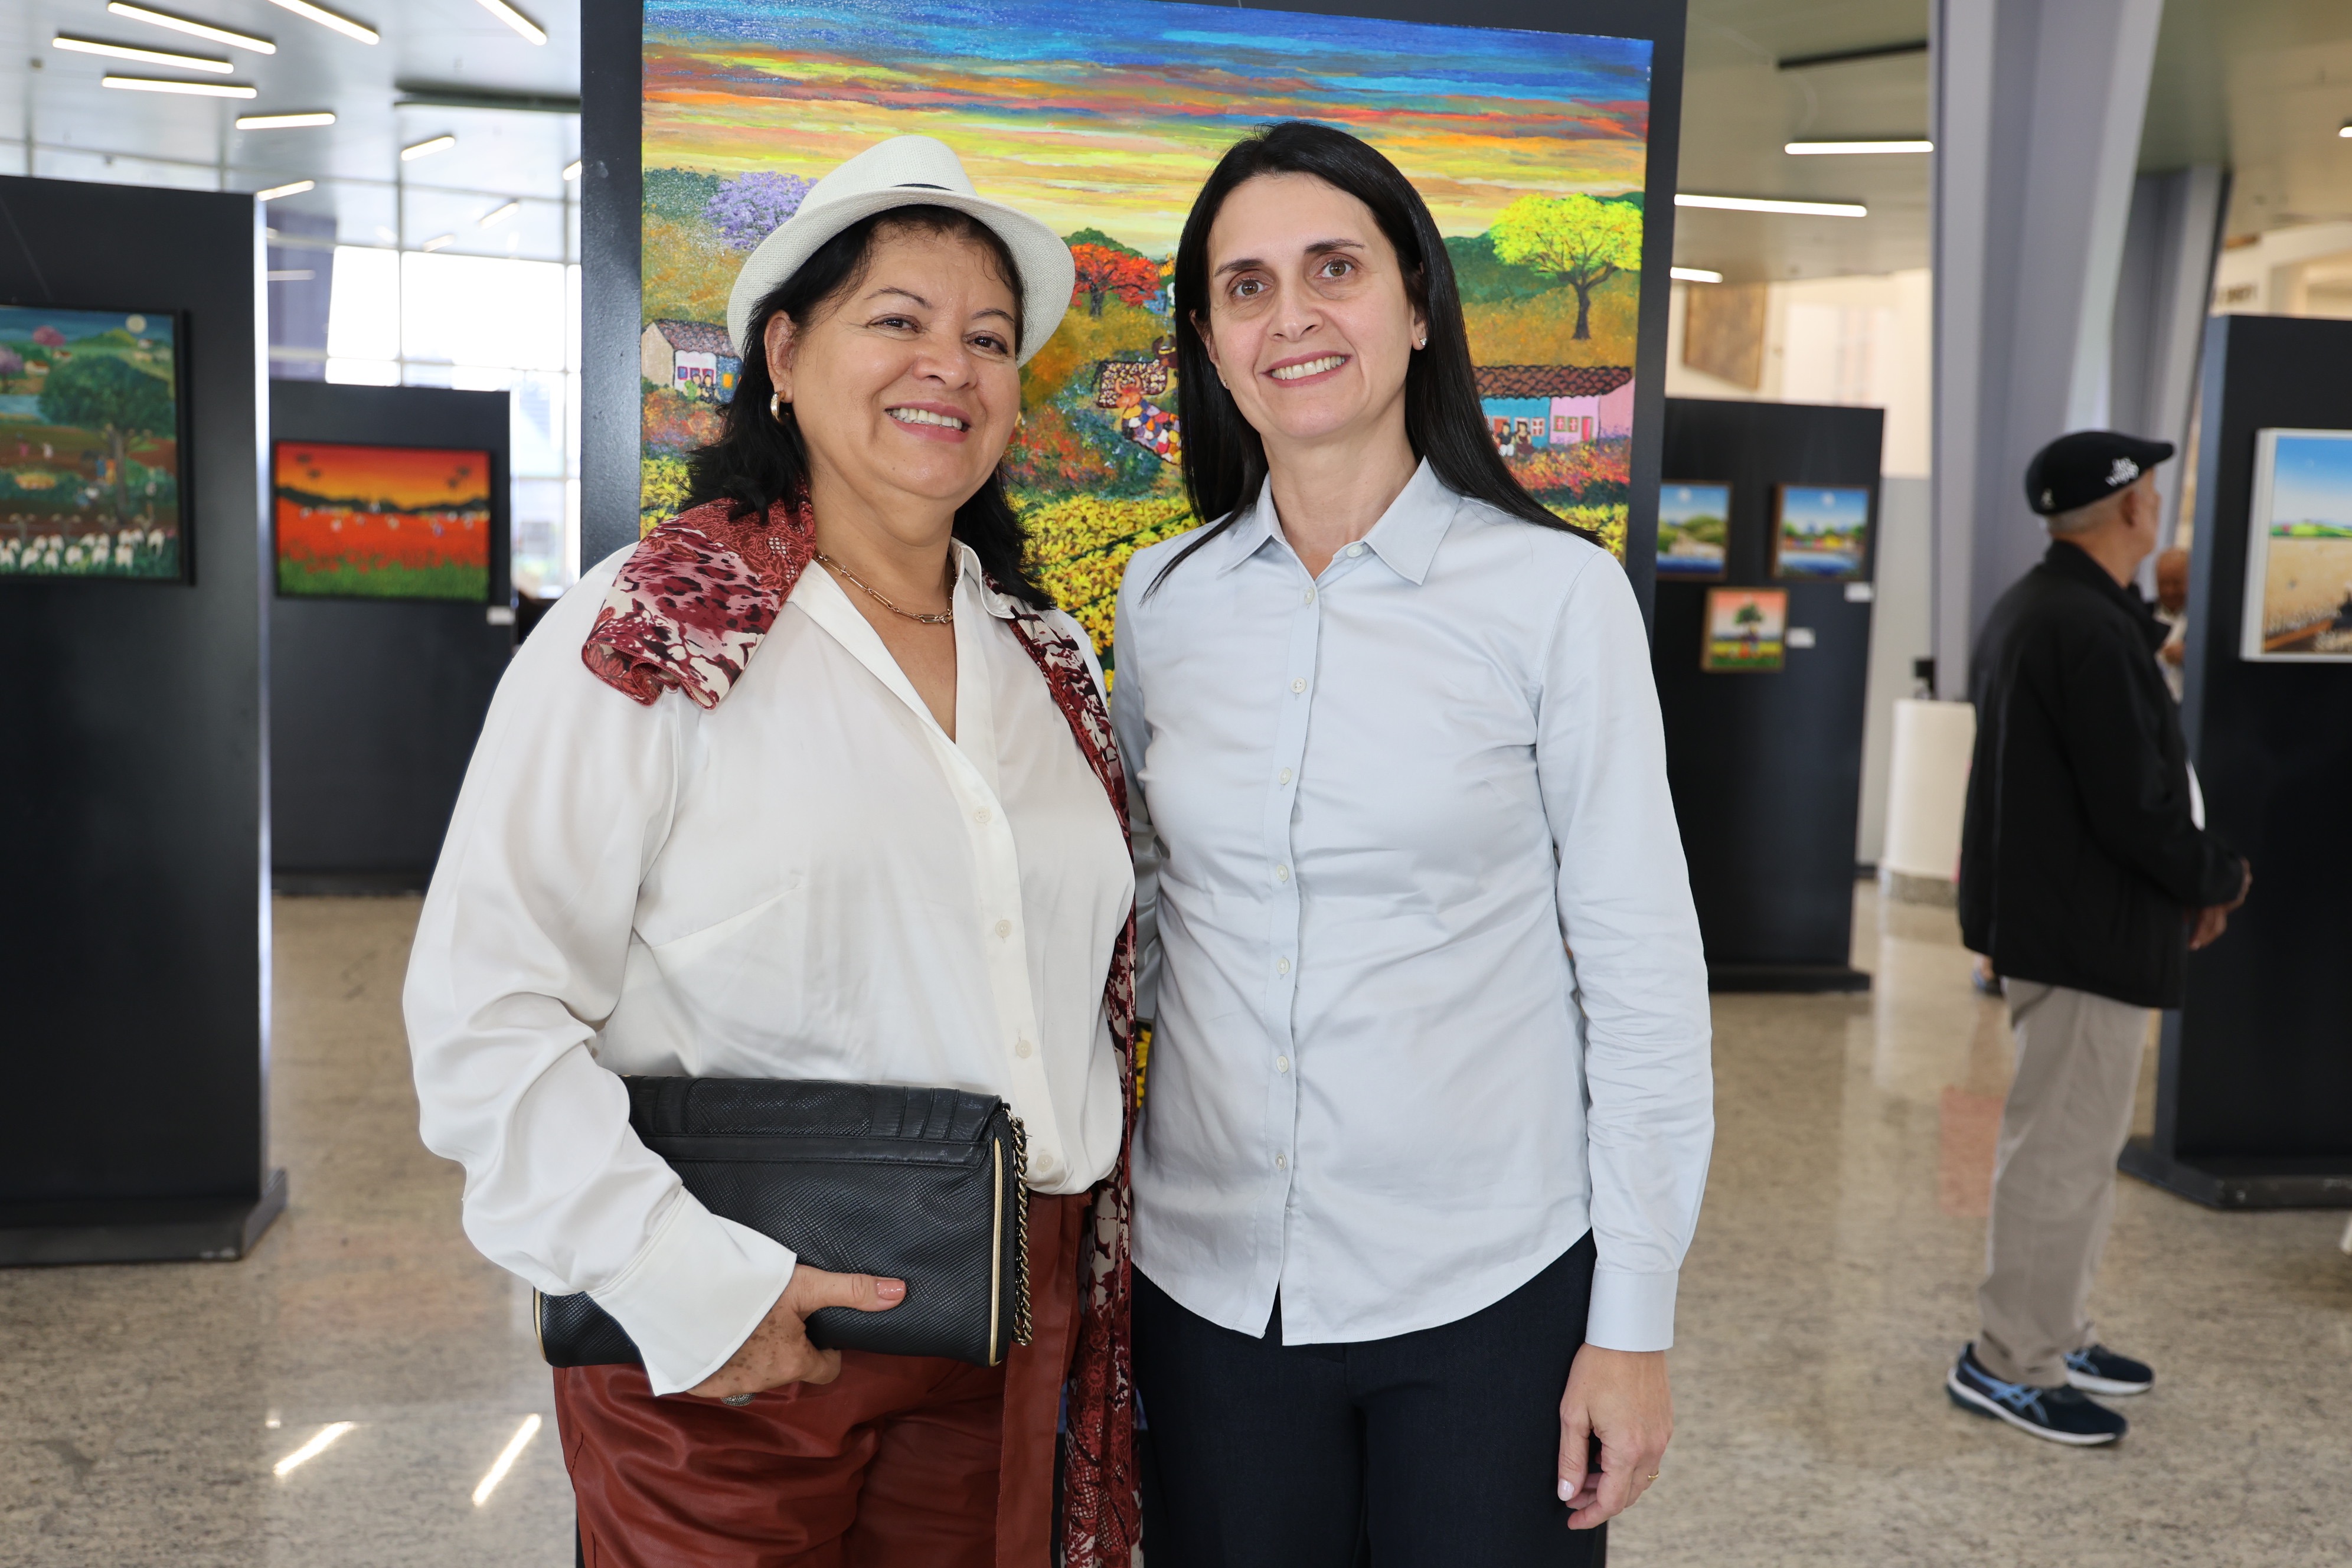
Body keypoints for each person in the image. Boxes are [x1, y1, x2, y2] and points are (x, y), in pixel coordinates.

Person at [403, 136, 1144, 1566]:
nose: (951, 366)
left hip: (997, 1330)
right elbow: (484, 1008)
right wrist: (681, 1275)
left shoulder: (1046, 661)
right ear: (786, 355)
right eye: (898, 319)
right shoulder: (653, 627)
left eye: (990, 339)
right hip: (731, 1338)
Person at [1111, 122, 1713, 1565]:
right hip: (1211, 1289)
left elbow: (1641, 976)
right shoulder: (1162, 601)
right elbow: (1144, 916)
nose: (1292, 315)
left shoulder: (1555, 598)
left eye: (1335, 268)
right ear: (1209, 338)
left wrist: (1633, 1321)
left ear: (1420, 303)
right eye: (1246, 285)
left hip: (1487, 1290)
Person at [1949, 430, 2251, 1446]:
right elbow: (2134, 805)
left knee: (2075, 1153)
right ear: (2130, 508)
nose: (2156, 505)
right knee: (2057, 1156)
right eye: (2152, 492)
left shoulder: (2054, 609)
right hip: (2081, 935)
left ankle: (2056, 1332)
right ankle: (2009, 1362)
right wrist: (2214, 878)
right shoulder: (2079, 625)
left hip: (2077, 927)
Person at [2153, 544, 2189, 700]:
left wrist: (2189, 656)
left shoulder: (2204, 624)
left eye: (2177, 583)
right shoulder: (2140, 616)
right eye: (2163, 583)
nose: (2169, 591)